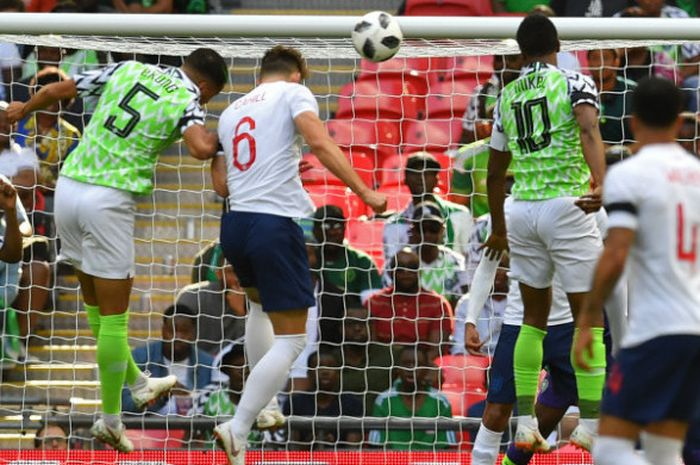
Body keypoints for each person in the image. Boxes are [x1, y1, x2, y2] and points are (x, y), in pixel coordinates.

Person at [6, 47, 228, 451]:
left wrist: (23, 109)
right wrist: (224, 133)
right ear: (206, 87)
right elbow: (199, 147)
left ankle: (139, 383)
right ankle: (110, 420)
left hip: (69, 189)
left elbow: (60, 88)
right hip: (108, 200)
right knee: (115, 319)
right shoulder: (187, 98)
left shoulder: (129, 68)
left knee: (94, 306)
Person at [210, 45, 386, 465]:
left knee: (257, 310)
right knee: (293, 339)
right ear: (299, 73)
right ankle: (237, 428)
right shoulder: (294, 94)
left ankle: (265, 405)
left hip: (234, 224)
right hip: (273, 225)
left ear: (259, 74)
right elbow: (320, 142)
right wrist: (364, 192)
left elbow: (221, 183)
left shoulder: (232, 110)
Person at [485, 13, 607, 452]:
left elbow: (495, 172)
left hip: (523, 211)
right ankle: (589, 423)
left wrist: (499, 227)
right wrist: (601, 182)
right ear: (558, 46)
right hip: (567, 205)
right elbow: (589, 129)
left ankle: (523, 422)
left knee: (531, 320)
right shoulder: (574, 82)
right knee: (587, 317)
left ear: (520, 52)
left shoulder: (506, 96)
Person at [574, 77, 700, 465]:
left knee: (609, 450)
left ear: (632, 121)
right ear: (681, 122)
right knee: (663, 451)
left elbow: (615, 255)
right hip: (695, 329)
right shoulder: (697, 175)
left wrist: (588, 317)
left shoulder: (628, 175)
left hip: (655, 333)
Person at [122, 304, 215, 414]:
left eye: (184, 331)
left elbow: (215, 406)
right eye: (172, 330)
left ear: (193, 333)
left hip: (192, 428)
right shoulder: (140, 358)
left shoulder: (207, 364)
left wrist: (191, 399)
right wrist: (162, 394)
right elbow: (124, 404)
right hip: (149, 428)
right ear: (162, 330)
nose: (177, 336)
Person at [383, 152, 473, 261]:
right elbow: (392, 268)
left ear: (437, 180)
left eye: (427, 173)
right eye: (415, 172)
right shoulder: (394, 225)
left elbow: (471, 258)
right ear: (405, 179)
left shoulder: (460, 214)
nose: (420, 177)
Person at [368, 247, 453, 360]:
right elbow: (372, 348)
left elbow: (436, 350)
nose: (406, 273)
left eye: (412, 267)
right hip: (383, 368)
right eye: (400, 268)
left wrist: (411, 367)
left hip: (423, 368)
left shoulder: (438, 304)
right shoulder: (374, 302)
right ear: (390, 273)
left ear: (420, 272)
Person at [368, 346, 457, 451]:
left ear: (426, 370)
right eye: (406, 364)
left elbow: (448, 449)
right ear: (398, 368)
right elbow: (376, 447)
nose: (411, 368)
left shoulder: (441, 401)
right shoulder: (383, 400)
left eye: (417, 365)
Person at [14, 68, 80, 205]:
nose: (50, 100)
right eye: (45, 94)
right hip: (15, 193)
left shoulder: (71, 135)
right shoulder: (17, 125)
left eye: (55, 95)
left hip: (53, 198)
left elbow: (74, 176)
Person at [284, 348, 363, 450]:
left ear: (338, 373)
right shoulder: (294, 403)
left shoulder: (353, 404)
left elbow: (352, 450)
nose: (325, 371)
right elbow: (292, 449)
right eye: (319, 367)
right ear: (309, 373)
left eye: (331, 366)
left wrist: (332, 446)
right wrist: (312, 442)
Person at [312, 205, 382, 303]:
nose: (332, 232)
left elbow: (371, 304)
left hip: (347, 315)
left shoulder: (362, 261)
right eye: (325, 226)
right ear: (315, 230)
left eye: (337, 226)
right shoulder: (304, 260)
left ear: (344, 229)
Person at [406, 201, 469, 307]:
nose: (427, 234)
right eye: (421, 229)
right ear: (412, 231)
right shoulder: (401, 261)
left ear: (442, 231)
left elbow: (465, 301)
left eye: (433, 229)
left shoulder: (457, 262)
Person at [176, 263, 246, 355]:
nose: (237, 279)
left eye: (243, 272)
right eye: (231, 272)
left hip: (232, 365)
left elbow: (246, 345)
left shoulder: (256, 300)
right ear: (219, 273)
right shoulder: (193, 296)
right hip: (197, 364)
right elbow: (177, 339)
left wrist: (241, 313)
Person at [587, 49, 636, 145]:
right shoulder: (579, 89)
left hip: (627, 155)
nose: (600, 64)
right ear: (588, 62)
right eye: (595, 58)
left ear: (616, 62)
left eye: (605, 58)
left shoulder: (633, 92)